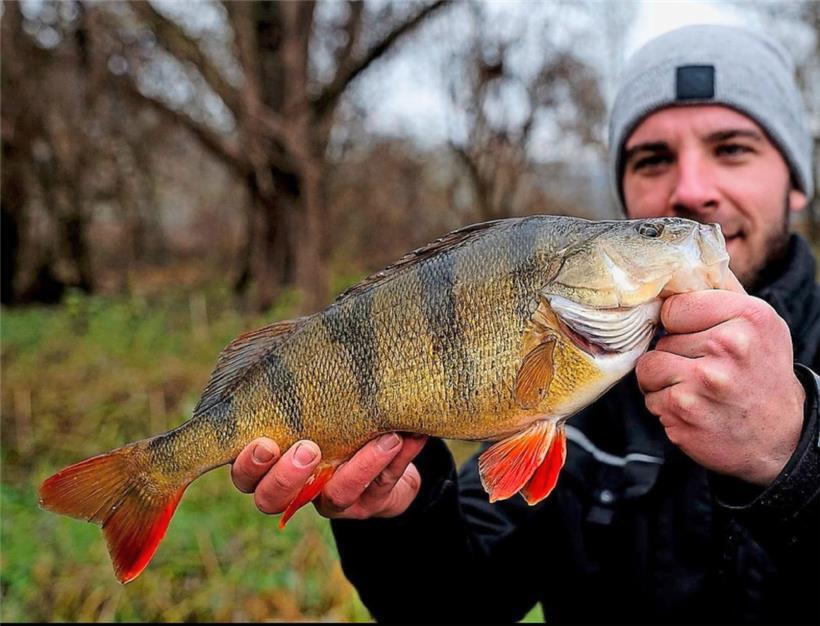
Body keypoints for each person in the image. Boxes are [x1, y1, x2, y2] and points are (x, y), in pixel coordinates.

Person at [229, 24, 819, 622]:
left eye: (732, 149)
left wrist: (792, 459)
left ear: (798, 181)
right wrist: (402, 514)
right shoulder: (585, 377)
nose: (691, 191)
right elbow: (458, 608)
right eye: (653, 159)